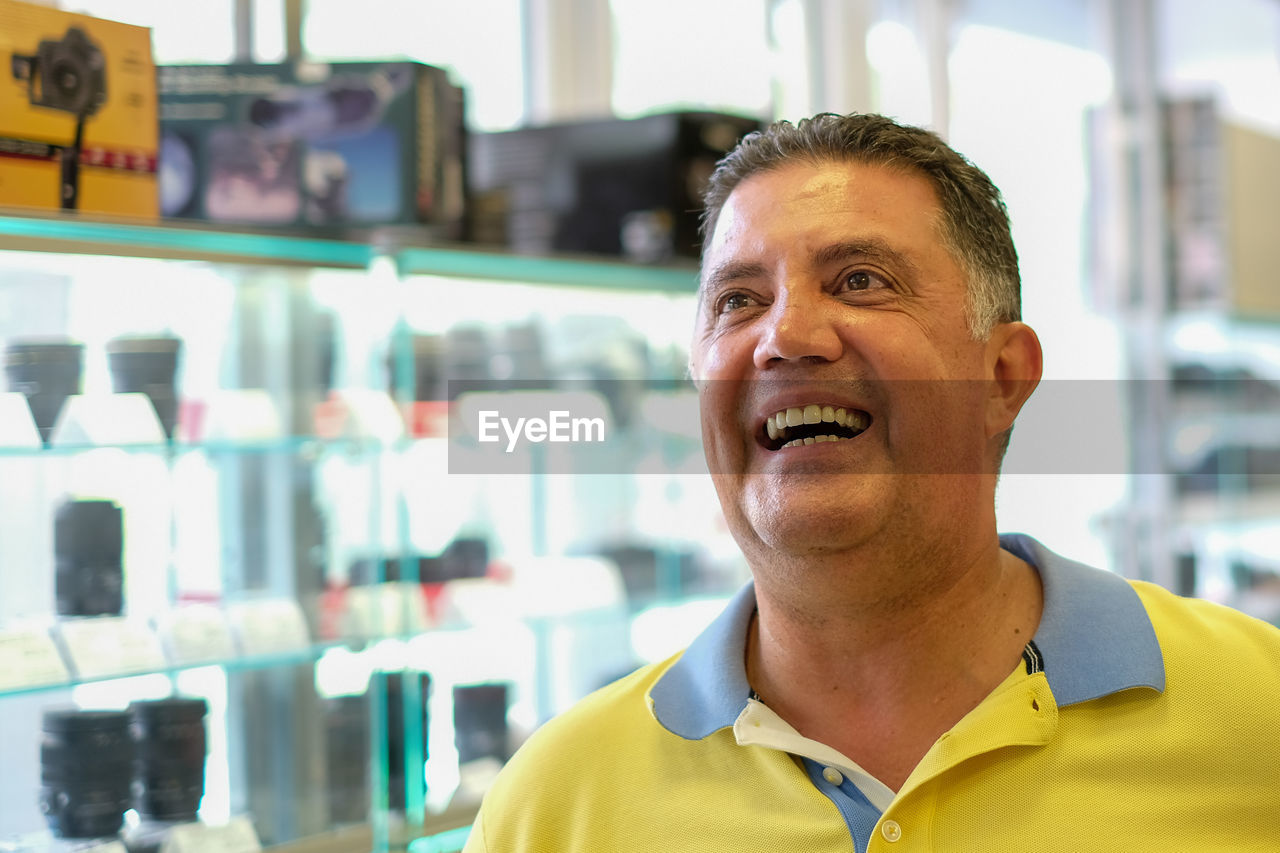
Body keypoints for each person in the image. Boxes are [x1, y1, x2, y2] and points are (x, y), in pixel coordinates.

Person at [462, 113, 1280, 851]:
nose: (785, 336)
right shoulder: (552, 811)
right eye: (740, 300)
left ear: (1002, 376)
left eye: (860, 280)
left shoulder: (1258, 717)